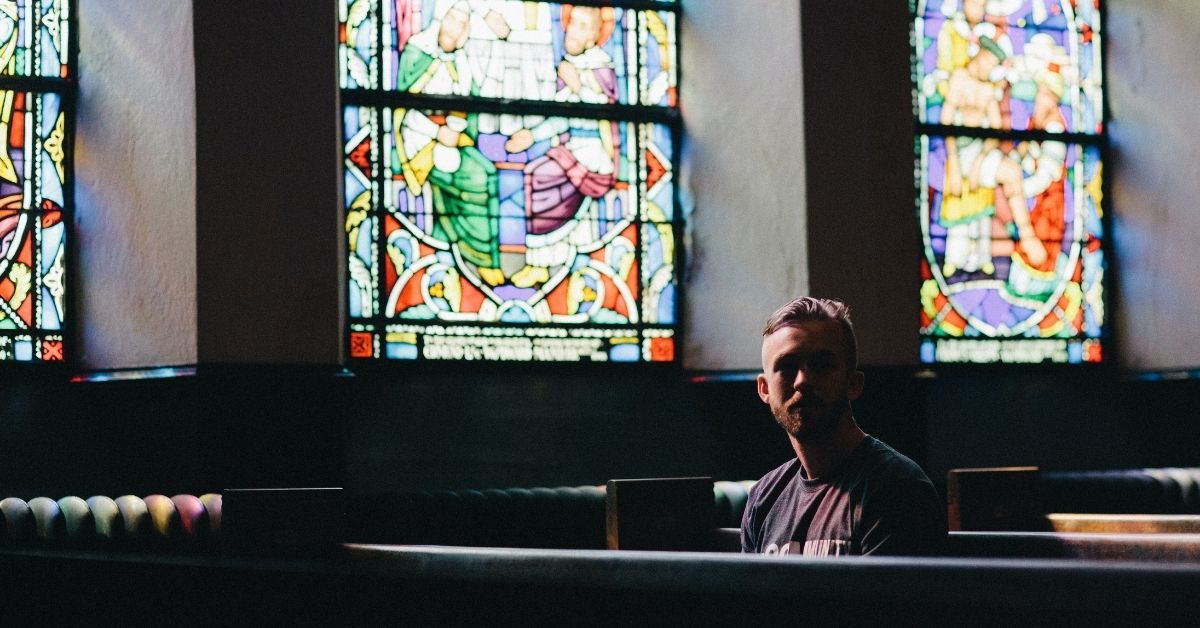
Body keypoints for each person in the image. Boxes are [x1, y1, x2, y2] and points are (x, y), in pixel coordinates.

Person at [741, 297, 946, 556]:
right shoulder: (764, 498)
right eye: (787, 367)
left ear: (854, 383)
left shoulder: (897, 490)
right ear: (764, 389)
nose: (802, 381)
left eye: (822, 365)